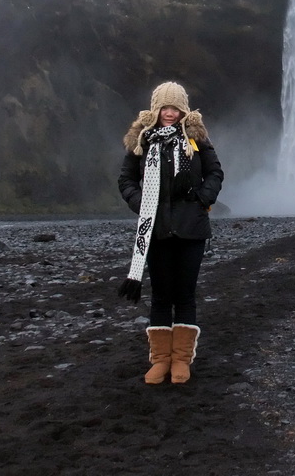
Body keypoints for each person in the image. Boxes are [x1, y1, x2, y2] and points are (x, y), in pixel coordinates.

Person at [117, 81, 224, 385]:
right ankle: (160, 361)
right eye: (164, 106)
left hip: (191, 229)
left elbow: (215, 172)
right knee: (161, 295)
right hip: (156, 230)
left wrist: (203, 199)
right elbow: (125, 180)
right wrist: (142, 204)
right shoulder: (141, 141)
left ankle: (182, 360)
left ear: (183, 110)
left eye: (175, 107)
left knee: (185, 294)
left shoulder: (197, 139)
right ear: (156, 109)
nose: (169, 112)